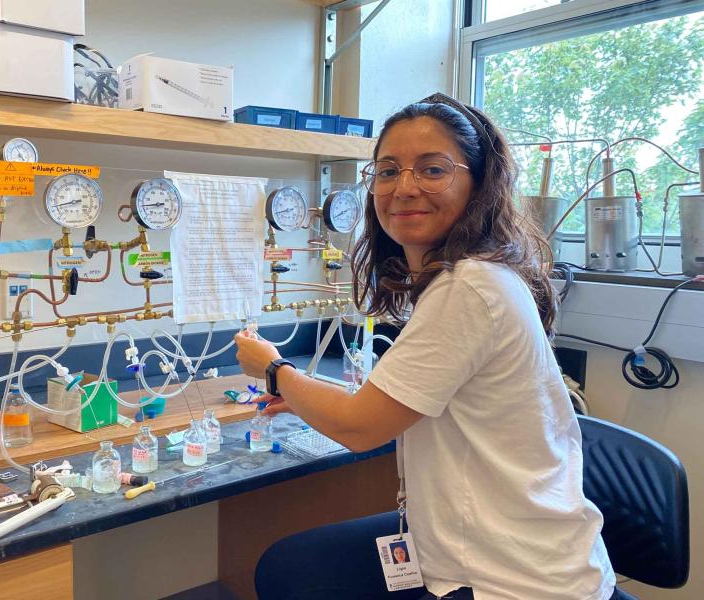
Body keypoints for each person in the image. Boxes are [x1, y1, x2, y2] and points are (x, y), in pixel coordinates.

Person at [235, 93, 617, 600]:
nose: (405, 188)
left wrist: (275, 369)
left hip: (512, 580)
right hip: (488, 546)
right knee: (295, 566)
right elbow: (390, 404)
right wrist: (307, 396)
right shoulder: (470, 279)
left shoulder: (469, 288)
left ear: (479, 184)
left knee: (293, 571)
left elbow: (360, 427)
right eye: (388, 171)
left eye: (433, 170)